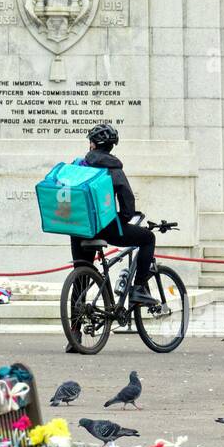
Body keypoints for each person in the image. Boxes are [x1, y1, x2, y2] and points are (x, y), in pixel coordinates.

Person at [70, 122, 158, 308]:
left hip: (79, 227)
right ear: (111, 147)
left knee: (81, 275)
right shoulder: (114, 169)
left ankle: (75, 331)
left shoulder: (79, 166)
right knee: (148, 238)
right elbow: (127, 207)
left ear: (92, 145)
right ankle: (139, 288)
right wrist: (118, 221)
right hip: (106, 228)